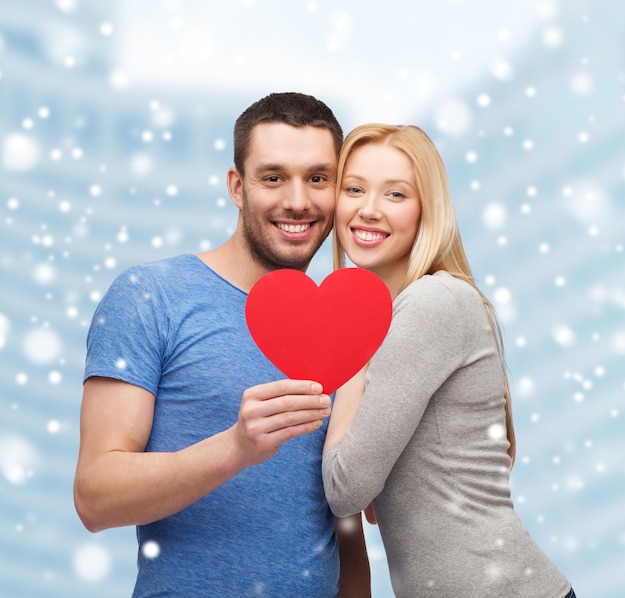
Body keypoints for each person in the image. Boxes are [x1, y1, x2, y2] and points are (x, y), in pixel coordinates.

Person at [74, 92, 371, 597]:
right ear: (237, 186)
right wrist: (234, 449)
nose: (297, 200)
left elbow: (340, 518)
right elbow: (94, 497)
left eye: (318, 178)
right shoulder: (151, 295)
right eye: (273, 177)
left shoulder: (344, 328)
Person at [322, 124, 576, 597]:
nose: (369, 209)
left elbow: (346, 490)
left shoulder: (431, 303)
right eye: (354, 189)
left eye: (395, 194)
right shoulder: (404, 314)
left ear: (426, 210)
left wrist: (351, 368)